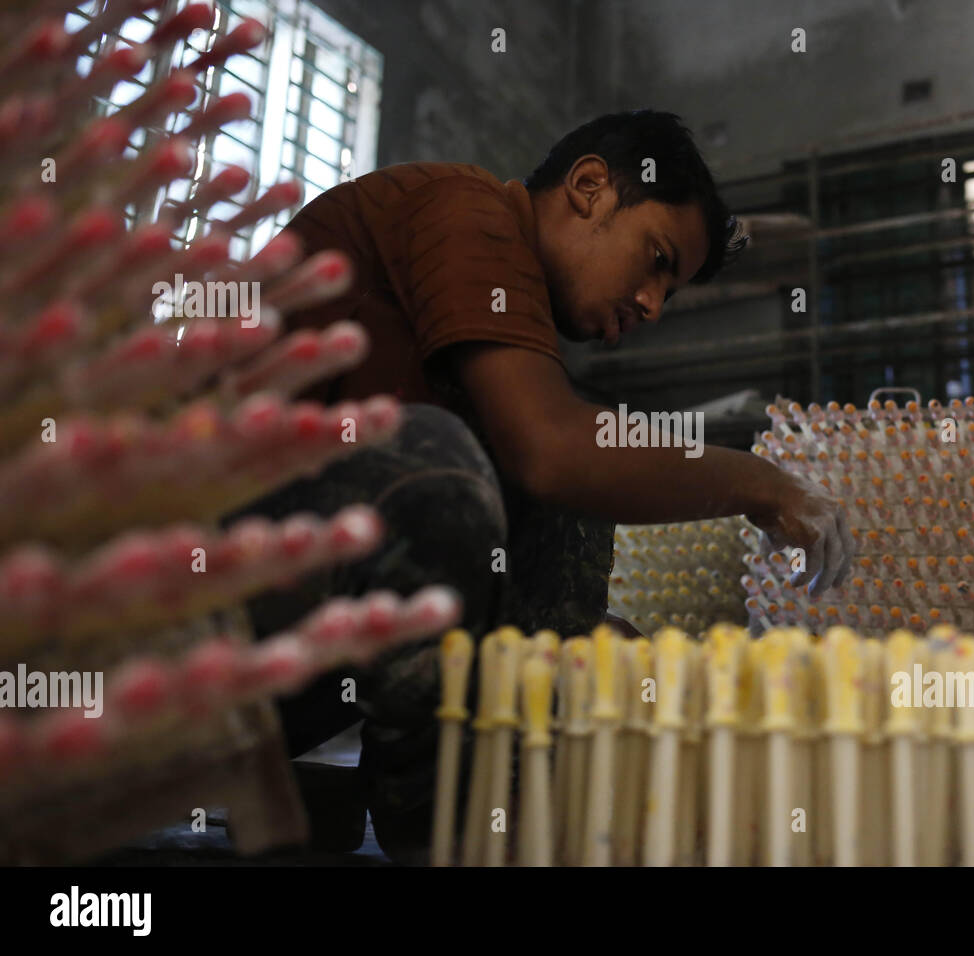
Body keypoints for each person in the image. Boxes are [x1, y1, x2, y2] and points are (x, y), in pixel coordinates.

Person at [223, 109, 854, 863]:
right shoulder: (466, 209)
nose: (653, 304)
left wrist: (587, 648)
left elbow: (556, 475)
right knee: (466, 457)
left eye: (670, 292)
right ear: (589, 187)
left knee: (555, 493)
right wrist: (762, 483)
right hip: (183, 599)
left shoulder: (500, 324)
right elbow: (551, 451)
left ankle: (343, 785)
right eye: (655, 259)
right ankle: (432, 815)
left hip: (277, 652)